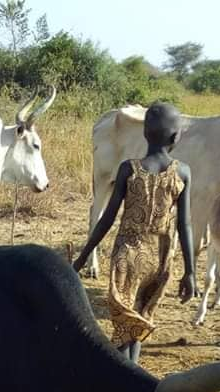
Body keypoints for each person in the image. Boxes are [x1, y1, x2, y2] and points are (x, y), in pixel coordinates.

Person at [72, 102, 196, 365]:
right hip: (160, 259)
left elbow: (107, 218)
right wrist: (190, 271)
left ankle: (122, 376)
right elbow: (184, 225)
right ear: (176, 137)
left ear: (144, 134)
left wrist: (84, 255)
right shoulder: (183, 172)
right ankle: (132, 371)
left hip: (126, 256)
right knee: (139, 322)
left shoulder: (128, 169)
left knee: (124, 325)